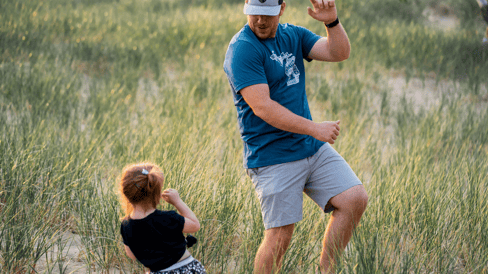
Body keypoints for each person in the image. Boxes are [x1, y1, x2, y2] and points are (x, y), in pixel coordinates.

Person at [223, 0, 368, 273]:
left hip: (309, 147)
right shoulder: (242, 49)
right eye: (254, 14)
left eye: (267, 14)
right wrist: (315, 128)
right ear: (246, 7)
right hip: (272, 155)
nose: (260, 21)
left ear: (281, 8)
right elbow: (263, 107)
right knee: (279, 237)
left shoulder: (293, 35)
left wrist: (332, 22)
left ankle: (326, 269)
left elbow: (339, 52)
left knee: (354, 199)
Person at [118, 162, 206, 274]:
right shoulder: (167, 218)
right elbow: (195, 225)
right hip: (188, 269)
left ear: (125, 194)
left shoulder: (126, 225)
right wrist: (177, 202)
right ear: (157, 194)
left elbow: (131, 255)